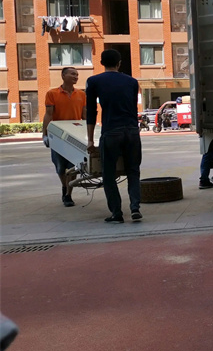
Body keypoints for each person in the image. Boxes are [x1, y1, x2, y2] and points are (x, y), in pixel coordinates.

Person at [85, 49, 142, 224]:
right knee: (133, 171)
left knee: (108, 174)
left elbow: (91, 112)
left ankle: (117, 212)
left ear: (101, 63)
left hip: (111, 131)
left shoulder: (93, 81)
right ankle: (135, 208)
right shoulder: (132, 81)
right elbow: (133, 108)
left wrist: (90, 139)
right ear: (119, 63)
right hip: (132, 131)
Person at [42, 67, 86, 207]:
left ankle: (68, 194)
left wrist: (89, 134)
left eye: (77, 74)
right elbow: (48, 114)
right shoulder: (52, 93)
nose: (76, 76)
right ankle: (64, 186)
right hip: (58, 135)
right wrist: (45, 134)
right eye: (72, 74)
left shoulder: (81, 94)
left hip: (75, 136)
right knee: (60, 167)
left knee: (74, 166)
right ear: (63, 75)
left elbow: (85, 116)